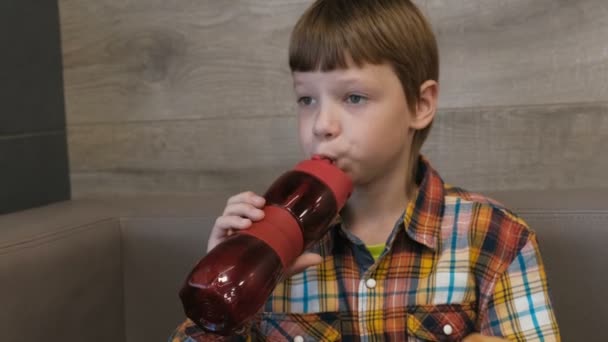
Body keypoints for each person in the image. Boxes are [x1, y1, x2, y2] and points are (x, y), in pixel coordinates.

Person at [170, 0, 560, 340]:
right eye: (306, 99)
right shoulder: (271, 245)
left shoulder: (495, 238)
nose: (322, 123)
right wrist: (226, 292)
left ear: (420, 105)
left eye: (353, 97)